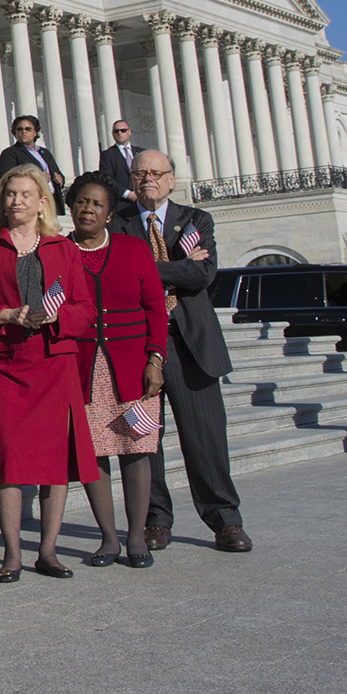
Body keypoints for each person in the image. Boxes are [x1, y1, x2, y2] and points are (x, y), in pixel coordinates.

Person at [110, 150, 250, 551]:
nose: (148, 179)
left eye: (156, 173)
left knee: (206, 437)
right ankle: (155, 521)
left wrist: (145, 270)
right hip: (138, 345)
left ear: (172, 179)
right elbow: (118, 275)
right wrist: (177, 267)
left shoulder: (195, 219)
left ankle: (225, 520)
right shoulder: (117, 223)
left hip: (191, 343)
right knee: (144, 439)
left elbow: (204, 273)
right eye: (140, 173)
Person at [0, 165, 98, 582]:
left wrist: (56, 319)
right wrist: (4, 314)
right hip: (6, 363)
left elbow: (86, 309)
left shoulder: (65, 248)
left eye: (26, 194)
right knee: (8, 458)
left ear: (43, 201)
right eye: (10, 194)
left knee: (54, 462)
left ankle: (47, 551)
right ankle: (11, 554)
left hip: (53, 362)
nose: (16, 202)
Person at [63, 174, 168, 567]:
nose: (88, 209)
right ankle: (108, 538)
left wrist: (156, 360)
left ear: (109, 213)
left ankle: (137, 535)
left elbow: (156, 308)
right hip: (82, 369)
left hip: (134, 368)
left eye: (97, 204)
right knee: (95, 453)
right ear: (71, 208)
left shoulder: (134, 249)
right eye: (81, 203)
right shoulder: (59, 251)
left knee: (135, 449)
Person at [0, 115, 65, 211]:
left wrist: (60, 179)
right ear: (15, 133)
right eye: (19, 129)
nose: (24, 132)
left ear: (35, 132)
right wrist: (38, 178)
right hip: (30, 204)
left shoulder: (45, 153)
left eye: (28, 129)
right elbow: (7, 179)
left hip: (52, 203)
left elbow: (57, 173)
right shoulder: (10, 153)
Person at [97, 120, 140, 202]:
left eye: (123, 130)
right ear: (112, 134)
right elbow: (106, 179)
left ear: (129, 132)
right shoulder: (107, 155)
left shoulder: (141, 152)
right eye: (116, 131)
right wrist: (127, 194)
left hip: (143, 200)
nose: (120, 133)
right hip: (122, 202)